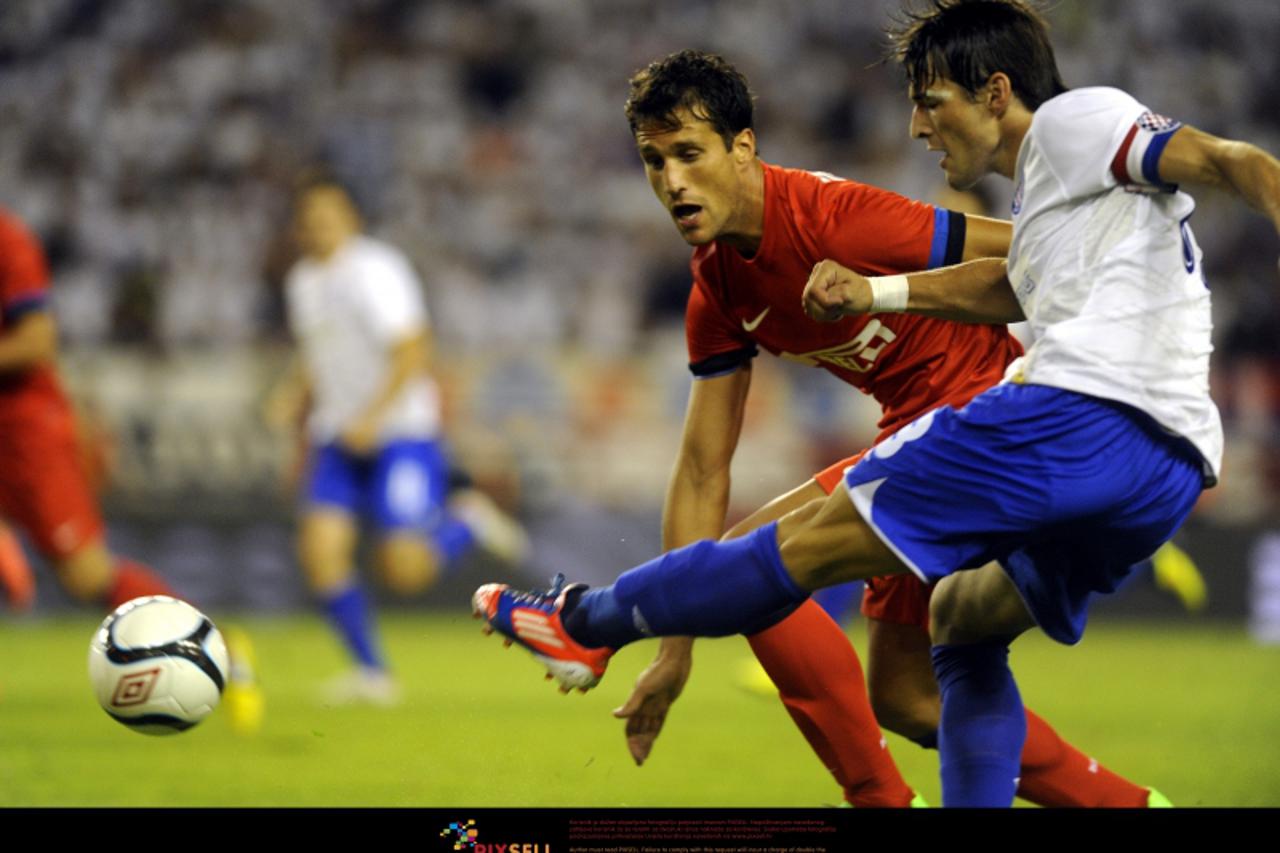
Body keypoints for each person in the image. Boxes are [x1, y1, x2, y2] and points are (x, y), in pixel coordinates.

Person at [475, 2, 1280, 805]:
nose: (671, 180)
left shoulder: (894, 195)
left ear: (743, 148)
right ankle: (1128, 803)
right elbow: (699, 465)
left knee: (773, 556)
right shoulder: (717, 289)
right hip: (1154, 454)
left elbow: (1180, 181)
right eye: (654, 163)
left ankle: (587, 623)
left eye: (688, 154)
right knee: (932, 663)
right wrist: (676, 650)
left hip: (1022, 414)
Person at [0, 203, 263, 732]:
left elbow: (36, 340)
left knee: (84, 574)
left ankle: (216, 646)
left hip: (22, 430)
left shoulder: (8, 240)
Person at [268, 176, 529, 705]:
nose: (319, 228)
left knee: (405, 571)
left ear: (351, 220)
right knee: (320, 554)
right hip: (338, 437)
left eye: (329, 217)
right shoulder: (302, 282)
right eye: (310, 219)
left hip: (401, 434)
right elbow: (320, 353)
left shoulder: (375, 270)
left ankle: (466, 521)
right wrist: (293, 392)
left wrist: (373, 416)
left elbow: (413, 347)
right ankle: (372, 674)